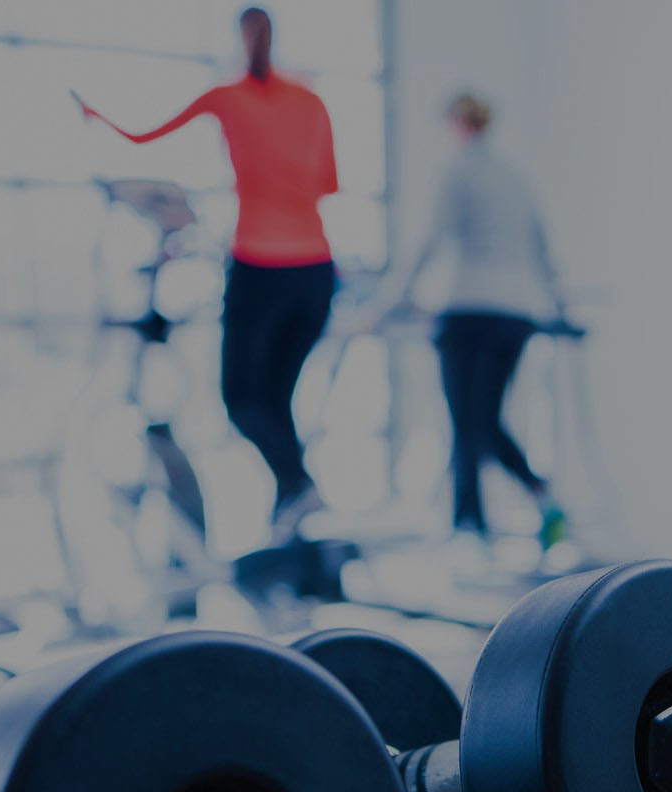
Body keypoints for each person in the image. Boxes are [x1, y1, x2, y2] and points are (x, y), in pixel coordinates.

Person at [74, 7, 336, 541]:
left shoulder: (228, 96)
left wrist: (95, 115)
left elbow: (140, 135)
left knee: (241, 401)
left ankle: (300, 486)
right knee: (275, 403)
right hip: (316, 272)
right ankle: (292, 502)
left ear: (240, 39)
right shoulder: (311, 100)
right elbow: (326, 183)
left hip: (262, 267)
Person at [371, 93, 568, 549]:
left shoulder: (454, 169)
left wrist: (387, 303)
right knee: (483, 418)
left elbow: (428, 239)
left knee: (466, 420)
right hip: (516, 314)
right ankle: (536, 497)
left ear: (455, 124)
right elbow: (542, 247)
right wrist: (554, 304)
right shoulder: (516, 177)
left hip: (467, 308)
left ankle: (469, 525)